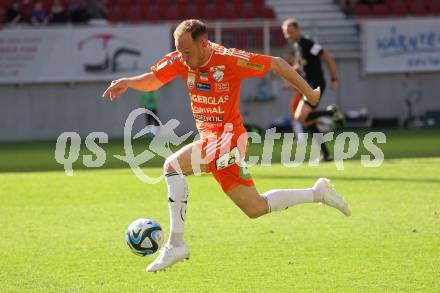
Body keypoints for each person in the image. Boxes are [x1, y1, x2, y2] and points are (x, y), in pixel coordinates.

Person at [102, 19, 351, 272]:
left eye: (187, 51)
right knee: (255, 207)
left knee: (172, 166)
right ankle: (318, 193)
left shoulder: (229, 59)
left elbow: (277, 63)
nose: (183, 57)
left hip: (228, 139)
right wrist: (129, 82)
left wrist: (309, 93)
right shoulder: (180, 58)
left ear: (203, 43)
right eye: (179, 50)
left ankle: (176, 244)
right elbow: (154, 79)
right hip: (210, 140)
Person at [282, 18, 342, 162]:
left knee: (299, 117)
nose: (288, 35)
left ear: (297, 30)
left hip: (315, 85)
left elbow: (327, 57)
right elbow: (301, 65)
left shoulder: (308, 44)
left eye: (290, 32)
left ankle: (331, 112)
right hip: (308, 86)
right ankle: (326, 154)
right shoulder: (297, 46)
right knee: (307, 121)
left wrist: (334, 78)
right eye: (286, 33)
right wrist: (288, 72)